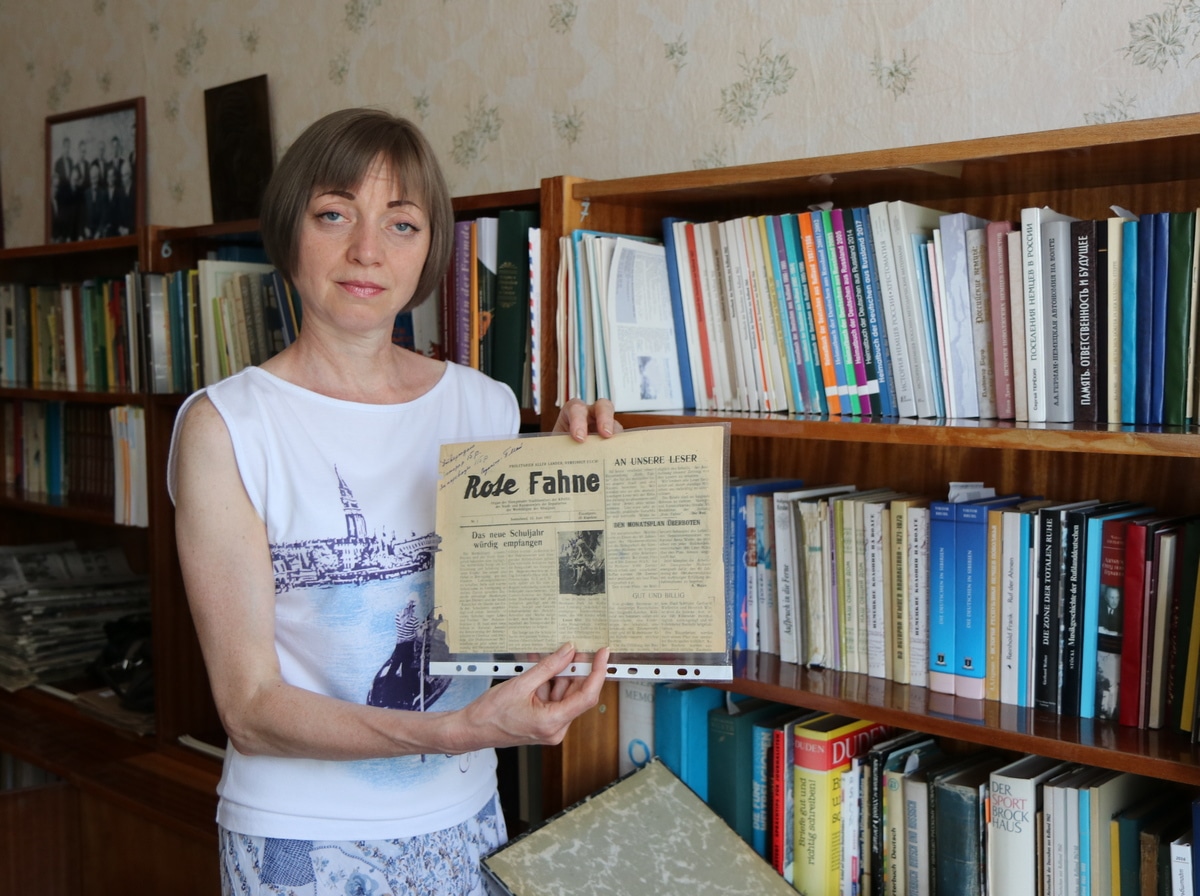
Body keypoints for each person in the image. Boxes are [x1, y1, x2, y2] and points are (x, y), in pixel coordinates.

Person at [168, 107, 619, 894]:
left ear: (429, 249)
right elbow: (249, 708)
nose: (367, 250)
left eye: (401, 224)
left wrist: (580, 480)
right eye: (334, 214)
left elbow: (515, 620)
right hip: (300, 838)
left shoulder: (485, 406)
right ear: (289, 229)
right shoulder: (226, 427)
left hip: (468, 817)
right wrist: (457, 730)